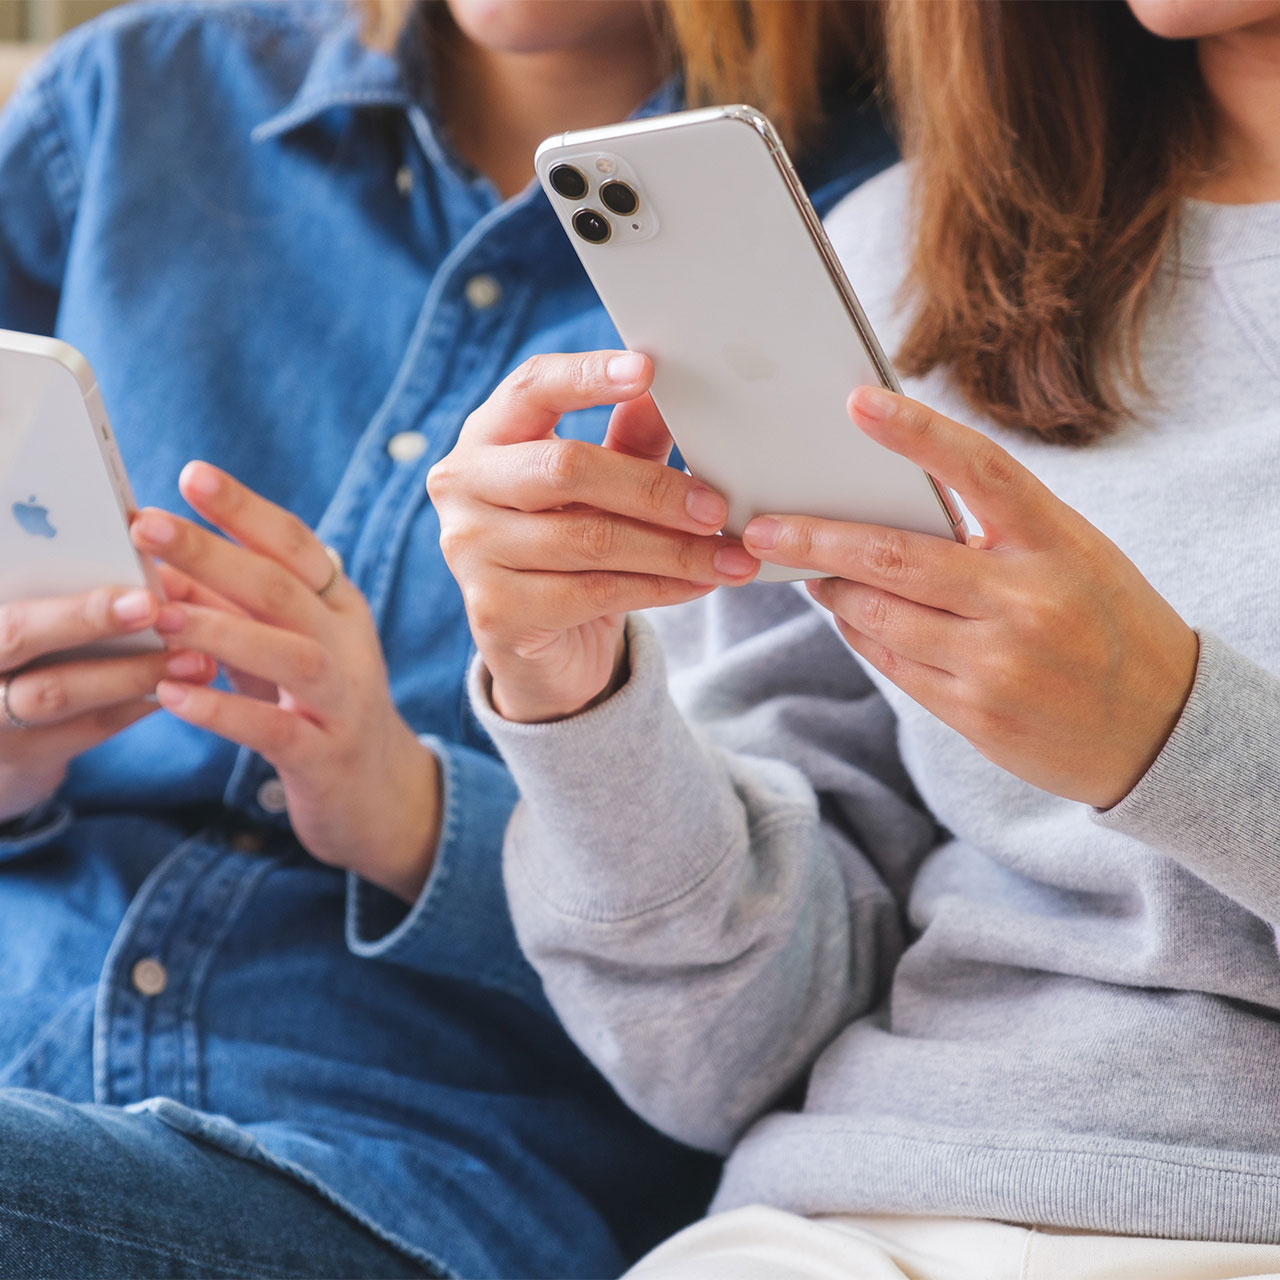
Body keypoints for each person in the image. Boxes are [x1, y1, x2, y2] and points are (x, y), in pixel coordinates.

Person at [0, 0, 895, 1276]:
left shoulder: (876, 231)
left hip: (392, 1163)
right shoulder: (127, 101)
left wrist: (409, 808)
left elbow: (801, 982)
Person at [434, 0, 1280, 1275]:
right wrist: (574, 701)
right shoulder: (916, 255)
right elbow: (726, 1054)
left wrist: (1172, 731)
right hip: (827, 1218)